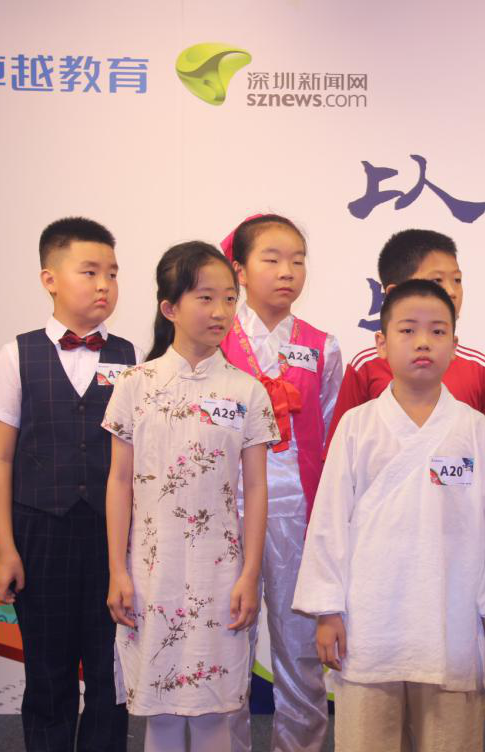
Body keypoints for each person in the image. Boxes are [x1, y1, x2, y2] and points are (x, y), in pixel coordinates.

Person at [292, 279, 485, 752]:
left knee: (452, 741)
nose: (423, 342)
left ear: (454, 344)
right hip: (370, 621)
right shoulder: (357, 426)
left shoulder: (474, 428)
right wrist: (328, 610)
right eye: (408, 330)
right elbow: (329, 522)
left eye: (437, 331)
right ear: (381, 343)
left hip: (452, 618)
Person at [103, 242, 278, 751]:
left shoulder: (247, 391)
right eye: (205, 297)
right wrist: (117, 569)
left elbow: (256, 487)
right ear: (170, 308)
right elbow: (119, 481)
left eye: (229, 298)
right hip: (149, 571)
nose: (221, 311)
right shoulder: (134, 385)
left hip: (220, 573)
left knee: (214, 712)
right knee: (157, 714)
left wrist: (249, 574)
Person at [0, 216, 134, 752]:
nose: (104, 284)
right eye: (90, 271)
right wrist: (5, 550)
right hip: (40, 533)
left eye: (112, 273)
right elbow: (0, 459)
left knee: (112, 671)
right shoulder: (17, 354)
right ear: (50, 279)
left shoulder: (132, 358)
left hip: (112, 538)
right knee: (47, 670)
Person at [218, 214, 342, 752]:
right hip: (225, 512)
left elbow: (333, 436)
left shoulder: (322, 346)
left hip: (298, 513)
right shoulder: (215, 338)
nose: (287, 271)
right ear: (240, 270)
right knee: (227, 649)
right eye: (271, 259)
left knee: (300, 652)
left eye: (297, 260)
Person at [325, 229, 485, 478]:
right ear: (393, 293)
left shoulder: (480, 368)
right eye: (437, 281)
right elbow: (339, 462)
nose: (452, 291)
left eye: (457, 280)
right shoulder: (365, 367)